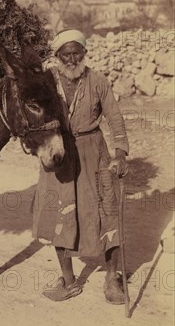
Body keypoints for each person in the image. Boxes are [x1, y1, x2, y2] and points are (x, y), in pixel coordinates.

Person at [32, 29, 129, 303]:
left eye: (77, 53)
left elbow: (115, 117)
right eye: (66, 54)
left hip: (93, 153)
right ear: (57, 56)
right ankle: (69, 280)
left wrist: (120, 153)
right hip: (58, 154)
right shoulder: (47, 83)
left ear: (84, 53)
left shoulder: (97, 81)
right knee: (58, 215)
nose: (72, 59)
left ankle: (112, 279)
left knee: (106, 211)